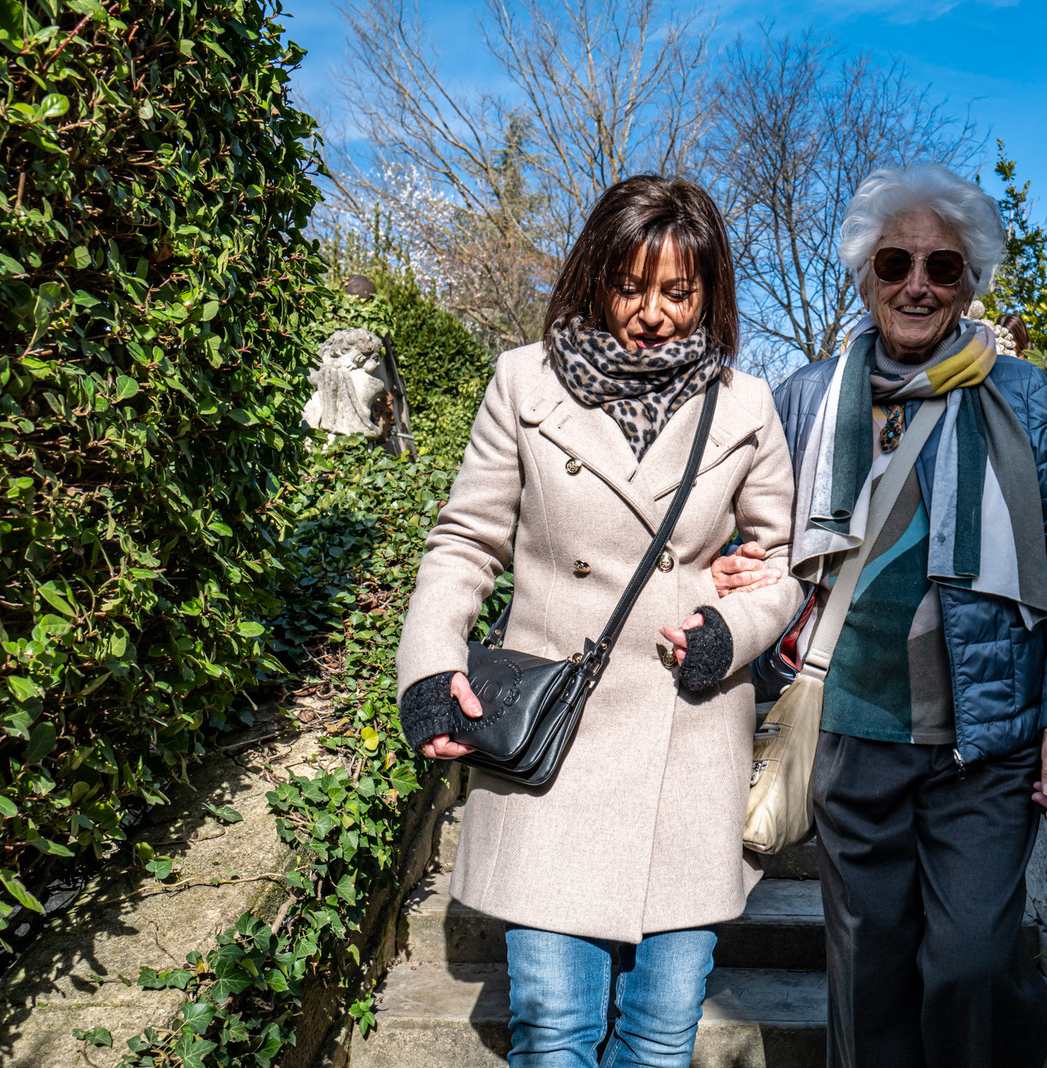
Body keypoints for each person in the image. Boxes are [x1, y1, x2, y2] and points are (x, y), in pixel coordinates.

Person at [713, 164, 1047, 1068]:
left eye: (943, 266)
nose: (918, 284)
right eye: (895, 263)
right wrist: (744, 562)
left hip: (987, 739)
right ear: (864, 275)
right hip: (851, 729)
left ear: (971, 281)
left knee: (971, 963)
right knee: (868, 972)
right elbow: (768, 538)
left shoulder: (1021, 397)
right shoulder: (809, 396)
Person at [395, 174, 803, 1068]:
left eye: (677, 292)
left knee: (660, 1037)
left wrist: (732, 632)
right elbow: (464, 541)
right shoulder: (523, 382)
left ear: (708, 293)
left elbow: (781, 570)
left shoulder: (746, 405)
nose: (652, 313)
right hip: (554, 743)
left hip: (686, 739)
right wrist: (429, 667)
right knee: (553, 1032)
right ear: (594, 276)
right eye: (631, 287)